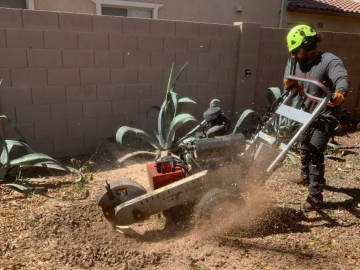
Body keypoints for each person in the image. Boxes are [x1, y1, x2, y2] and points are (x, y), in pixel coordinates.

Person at [284, 25, 349, 212]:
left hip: (326, 114)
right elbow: (298, 83)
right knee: (303, 143)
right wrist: (292, 83)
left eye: (297, 50)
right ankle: (306, 177)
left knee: (314, 150)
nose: (295, 55)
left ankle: (315, 196)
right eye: (293, 52)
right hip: (307, 111)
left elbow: (341, 78)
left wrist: (340, 92)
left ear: (309, 44)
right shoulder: (299, 62)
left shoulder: (329, 61)